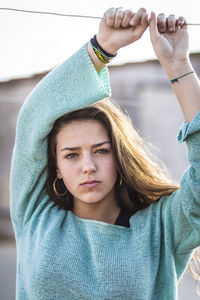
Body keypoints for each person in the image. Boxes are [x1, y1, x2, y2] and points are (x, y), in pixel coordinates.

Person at [10, 7, 200, 300]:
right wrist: (101, 48)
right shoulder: (36, 217)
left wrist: (177, 65)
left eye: (101, 151)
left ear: (119, 156)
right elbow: (33, 117)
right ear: (56, 167)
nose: (88, 166)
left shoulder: (162, 228)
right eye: (71, 155)